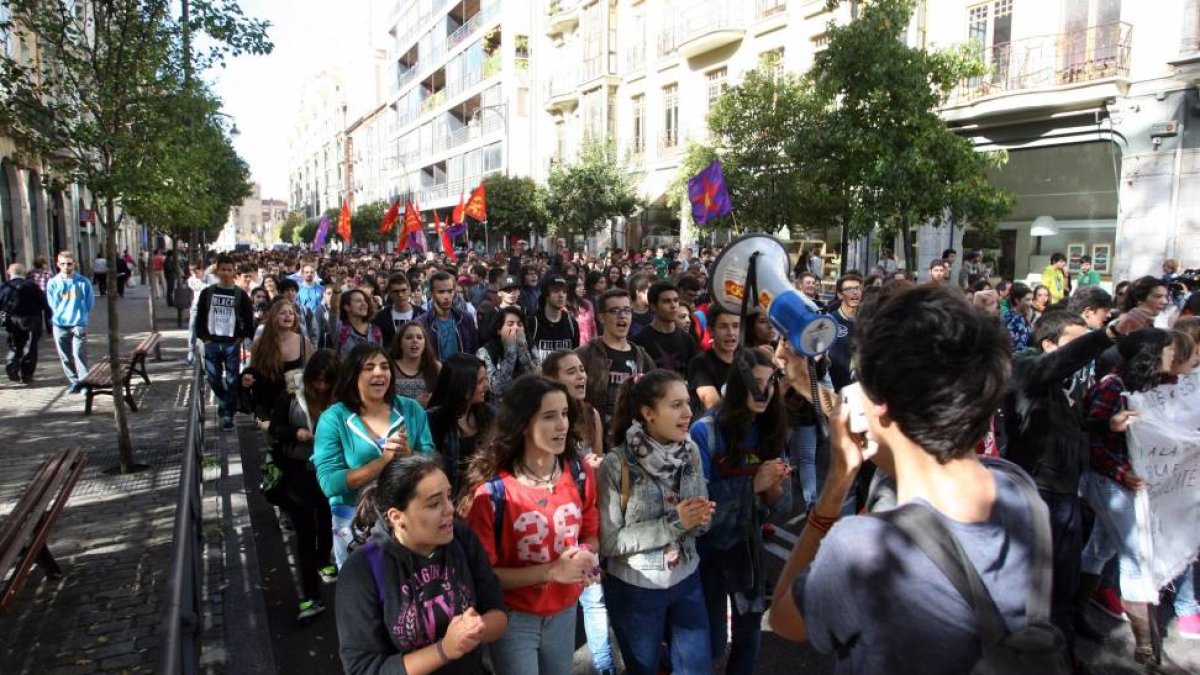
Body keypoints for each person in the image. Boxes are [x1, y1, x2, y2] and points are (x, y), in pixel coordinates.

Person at [770, 285, 1049, 673]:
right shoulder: (1016, 487)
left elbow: (784, 619)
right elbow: (910, 452)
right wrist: (807, 384)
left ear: (880, 404)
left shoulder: (860, 549)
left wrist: (836, 485)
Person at [1002, 307, 1152, 657]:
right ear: (1051, 343)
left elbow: (1078, 422)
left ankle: (1065, 649)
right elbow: (1055, 365)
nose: (1086, 345)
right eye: (1078, 338)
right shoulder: (1027, 369)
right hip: (1039, 492)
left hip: (1069, 490)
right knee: (1039, 586)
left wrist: (1105, 424)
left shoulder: (1068, 383)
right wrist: (1107, 335)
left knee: (1065, 582)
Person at [462, 375, 601, 675]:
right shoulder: (491, 493)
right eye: (549, 416)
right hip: (514, 617)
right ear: (523, 424)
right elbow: (484, 575)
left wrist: (586, 555)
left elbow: (590, 530)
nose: (562, 425)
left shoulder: (580, 473)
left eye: (564, 413)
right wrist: (552, 571)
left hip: (564, 611)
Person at [1081, 330, 1193, 673]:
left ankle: (1074, 610)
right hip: (1112, 484)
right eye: (1169, 350)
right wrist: (1119, 472)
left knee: (1100, 549)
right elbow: (1090, 433)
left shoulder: (1159, 386)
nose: (1173, 356)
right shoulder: (1113, 386)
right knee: (1135, 560)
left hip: (1134, 486)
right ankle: (1146, 649)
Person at [336, 455, 508, 675]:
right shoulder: (362, 570)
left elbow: (498, 614)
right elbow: (363, 668)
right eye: (434, 503)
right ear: (398, 517)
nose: (449, 509)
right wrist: (444, 650)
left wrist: (474, 631)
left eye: (448, 496)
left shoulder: (461, 538)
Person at [598, 369, 715, 675]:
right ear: (648, 413)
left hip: (687, 580)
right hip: (636, 590)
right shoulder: (617, 463)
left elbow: (699, 524)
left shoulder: (690, 451)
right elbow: (610, 542)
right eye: (676, 405)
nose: (688, 413)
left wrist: (701, 518)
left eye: (687, 403)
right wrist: (674, 524)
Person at [691, 349, 792, 674]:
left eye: (769, 382)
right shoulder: (704, 432)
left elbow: (777, 507)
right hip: (707, 556)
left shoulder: (770, 428)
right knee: (713, 644)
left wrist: (775, 491)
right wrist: (753, 486)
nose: (763, 391)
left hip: (748, 549)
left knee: (749, 640)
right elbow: (697, 512)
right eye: (754, 383)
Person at [313, 344, 435, 569]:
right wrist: (383, 461)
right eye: (369, 367)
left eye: (384, 367)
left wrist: (409, 456)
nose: (379, 373)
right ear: (353, 375)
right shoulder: (333, 419)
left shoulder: (411, 410)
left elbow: (432, 464)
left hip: (406, 518)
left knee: (406, 592)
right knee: (364, 595)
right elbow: (329, 484)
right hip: (353, 522)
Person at [540, 349, 614, 675]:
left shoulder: (591, 414)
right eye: (571, 372)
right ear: (552, 380)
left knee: (594, 596)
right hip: (551, 520)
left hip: (585, 517)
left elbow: (597, 468)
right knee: (555, 600)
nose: (581, 376)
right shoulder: (539, 417)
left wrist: (595, 469)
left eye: (582, 370)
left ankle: (605, 665)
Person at [268, 349, 340, 620]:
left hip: (328, 469)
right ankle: (310, 594)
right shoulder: (290, 393)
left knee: (326, 520)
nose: (321, 387)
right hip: (297, 469)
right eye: (317, 382)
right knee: (304, 532)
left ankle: (324, 559)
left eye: (327, 382)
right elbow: (275, 428)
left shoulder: (341, 397)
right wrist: (294, 433)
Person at [575, 289, 655, 441]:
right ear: (601, 317)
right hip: (594, 439)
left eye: (627, 310)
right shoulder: (583, 355)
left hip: (633, 440)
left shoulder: (642, 357)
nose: (622, 315)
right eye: (615, 311)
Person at [195, 255, 256, 429]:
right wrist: (204, 338)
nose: (227, 273)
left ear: (234, 271)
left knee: (231, 379)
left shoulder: (240, 294)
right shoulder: (208, 293)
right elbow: (200, 317)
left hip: (232, 343)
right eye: (223, 269)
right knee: (213, 377)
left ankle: (228, 413)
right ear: (217, 270)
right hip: (212, 342)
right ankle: (225, 400)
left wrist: (241, 337)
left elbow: (248, 317)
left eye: (230, 270)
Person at [425, 354, 492, 497]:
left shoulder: (490, 414)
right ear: (463, 385)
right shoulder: (433, 420)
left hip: (483, 497)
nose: (486, 385)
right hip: (450, 499)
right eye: (480, 381)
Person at [242, 300, 314, 422]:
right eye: (283, 313)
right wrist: (246, 378)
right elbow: (252, 369)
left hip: (293, 402)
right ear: (274, 317)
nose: (288, 315)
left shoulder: (304, 342)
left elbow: (312, 372)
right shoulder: (260, 343)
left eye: (291, 313)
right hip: (267, 402)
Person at [46, 251, 95, 394]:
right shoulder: (53, 283)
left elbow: (89, 302)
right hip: (60, 324)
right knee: (65, 356)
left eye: (69, 264)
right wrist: (61, 316)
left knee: (79, 353)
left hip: (78, 323)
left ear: (74, 264)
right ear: (58, 265)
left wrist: (81, 316)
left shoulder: (83, 282)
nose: (66, 266)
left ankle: (85, 382)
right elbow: (52, 304)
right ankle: (74, 382)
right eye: (63, 264)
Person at [631, 281, 697, 377]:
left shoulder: (687, 340)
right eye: (666, 301)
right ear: (653, 306)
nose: (673, 306)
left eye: (676, 300)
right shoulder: (638, 341)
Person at [1, 263, 51, 384]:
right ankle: (27, 374)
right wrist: (49, 324)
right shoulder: (32, 286)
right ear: (24, 273)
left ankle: (12, 364)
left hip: (13, 320)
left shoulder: (5, 287)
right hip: (32, 319)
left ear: (9, 272)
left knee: (15, 344)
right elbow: (45, 304)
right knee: (30, 347)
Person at [476, 305, 537, 400]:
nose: (516, 328)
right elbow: (495, 389)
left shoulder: (530, 347)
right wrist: (510, 352)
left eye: (520, 324)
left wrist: (522, 349)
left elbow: (536, 378)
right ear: (499, 329)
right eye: (510, 324)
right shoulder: (484, 352)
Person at [688, 304, 741, 413]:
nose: (731, 333)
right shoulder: (700, 363)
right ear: (711, 330)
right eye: (723, 326)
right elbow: (712, 405)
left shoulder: (747, 359)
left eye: (735, 326)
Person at [419, 271, 478, 361]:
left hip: (463, 371)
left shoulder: (466, 318)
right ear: (432, 293)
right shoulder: (422, 323)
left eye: (450, 291)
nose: (446, 296)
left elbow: (474, 349)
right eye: (441, 292)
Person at [526, 275, 580, 363]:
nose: (561, 295)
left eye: (564, 291)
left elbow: (575, 355)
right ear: (546, 294)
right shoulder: (533, 322)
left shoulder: (572, 324)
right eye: (556, 291)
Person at [823, 274, 863, 391]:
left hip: (858, 390)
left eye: (858, 288)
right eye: (849, 289)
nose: (855, 292)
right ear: (840, 295)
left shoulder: (866, 322)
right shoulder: (829, 321)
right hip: (833, 389)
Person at [389, 321, 440, 407]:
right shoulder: (389, 367)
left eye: (419, 337)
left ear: (425, 344)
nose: (415, 341)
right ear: (400, 343)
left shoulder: (436, 367)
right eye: (409, 337)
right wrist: (414, 403)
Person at [371, 273, 424, 349]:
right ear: (389, 292)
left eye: (403, 290)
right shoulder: (381, 317)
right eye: (396, 291)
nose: (400, 295)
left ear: (409, 290)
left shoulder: (422, 315)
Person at [335, 289, 384, 358]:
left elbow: (380, 356)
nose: (364, 304)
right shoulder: (340, 329)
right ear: (347, 307)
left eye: (365, 301)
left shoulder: (375, 331)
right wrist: (337, 286)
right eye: (358, 301)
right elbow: (334, 308)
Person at [1004, 282, 1036, 352]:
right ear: (1017, 300)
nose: (1031, 303)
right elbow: (1017, 347)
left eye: (1032, 299)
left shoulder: (1022, 315)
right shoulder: (1013, 319)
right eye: (1027, 300)